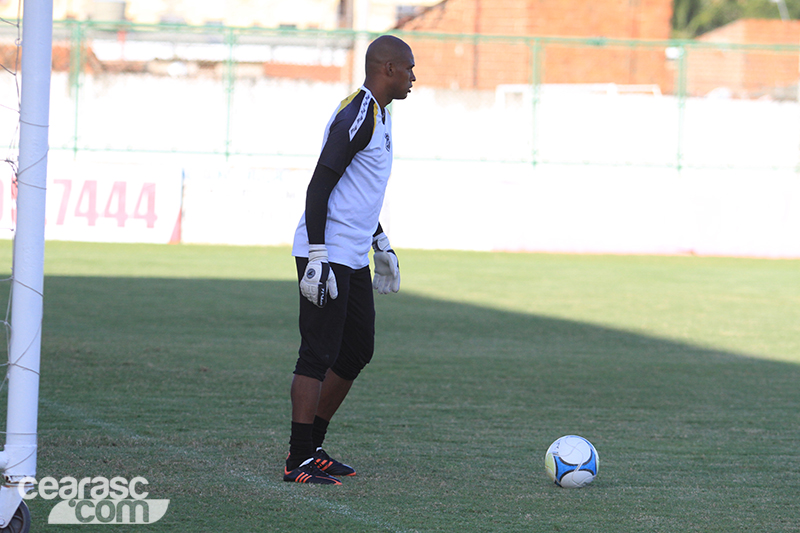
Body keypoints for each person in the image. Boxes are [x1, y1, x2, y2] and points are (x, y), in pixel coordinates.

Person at [283, 35, 416, 485]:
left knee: (358, 349)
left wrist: (380, 242)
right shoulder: (357, 115)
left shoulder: (382, 115)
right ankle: (298, 458)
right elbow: (319, 186)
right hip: (328, 251)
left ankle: (313, 447)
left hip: (353, 253)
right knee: (316, 353)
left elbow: (357, 193)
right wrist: (317, 254)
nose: (414, 77)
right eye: (409, 68)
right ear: (388, 69)